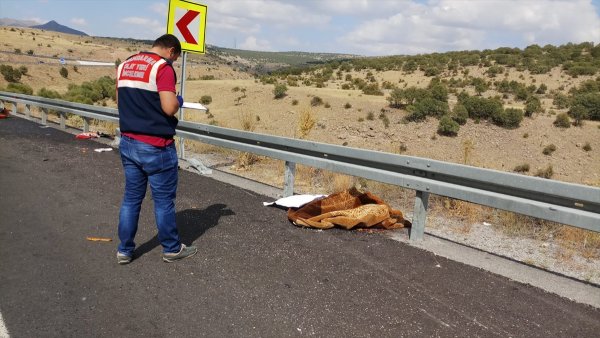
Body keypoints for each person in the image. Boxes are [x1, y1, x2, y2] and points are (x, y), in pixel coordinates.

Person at [115, 34, 197, 264]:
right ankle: (171, 248)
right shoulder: (162, 67)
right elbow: (169, 107)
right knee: (163, 201)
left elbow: (120, 100)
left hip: (128, 141)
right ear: (171, 51)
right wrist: (179, 100)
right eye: (176, 57)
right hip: (156, 145)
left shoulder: (125, 65)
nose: (174, 62)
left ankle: (124, 250)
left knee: (131, 199)